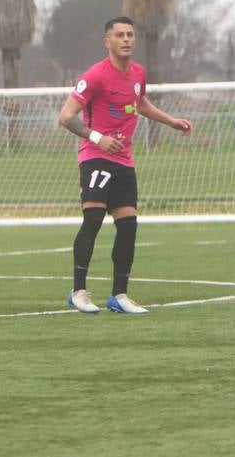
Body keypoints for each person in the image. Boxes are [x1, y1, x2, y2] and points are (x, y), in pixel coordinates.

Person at [58, 16, 193, 315]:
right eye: (119, 35)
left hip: (124, 160)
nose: (127, 39)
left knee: (128, 225)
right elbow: (65, 116)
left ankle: (119, 295)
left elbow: (140, 102)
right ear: (108, 41)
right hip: (95, 156)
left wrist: (171, 121)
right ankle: (78, 291)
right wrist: (98, 138)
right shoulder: (94, 76)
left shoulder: (138, 73)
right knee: (92, 219)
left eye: (130, 34)